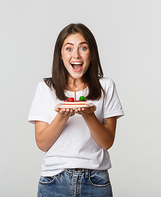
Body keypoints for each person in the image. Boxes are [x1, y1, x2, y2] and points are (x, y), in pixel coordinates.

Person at [28, 23, 124, 197]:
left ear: (91, 53)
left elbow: (107, 142)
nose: (76, 55)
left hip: (96, 181)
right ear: (60, 54)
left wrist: (89, 115)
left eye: (83, 48)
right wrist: (62, 116)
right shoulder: (45, 88)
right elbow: (42, 144)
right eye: (69, 48)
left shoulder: (106, 86)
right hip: (53, 181)